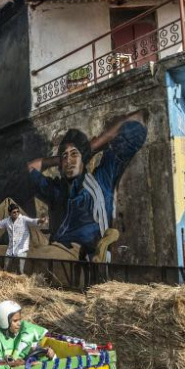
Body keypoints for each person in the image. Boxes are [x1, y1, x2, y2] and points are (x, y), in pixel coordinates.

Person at [26, 110, 147, 261]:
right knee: (8, 210)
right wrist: (60, 159)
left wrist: (92, 146)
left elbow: (138, 121)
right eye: (65, 156)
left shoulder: (102, 179)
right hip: (52, 246)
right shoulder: (57, 190)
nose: (69, 160)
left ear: (84, 158)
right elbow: (30, 169)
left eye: (74, 154)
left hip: (77, 256)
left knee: (25, 256)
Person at [0, 204, 48, 274]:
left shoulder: (23, 219)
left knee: (20, 269)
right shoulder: (7, 221)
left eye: (17, 211)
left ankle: (22, 282)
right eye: (14, 212)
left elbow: (33, 221)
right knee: (6, 267)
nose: (16, 213)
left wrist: (41, 220)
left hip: (21, 249)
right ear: (9, 213)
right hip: (11, 249)